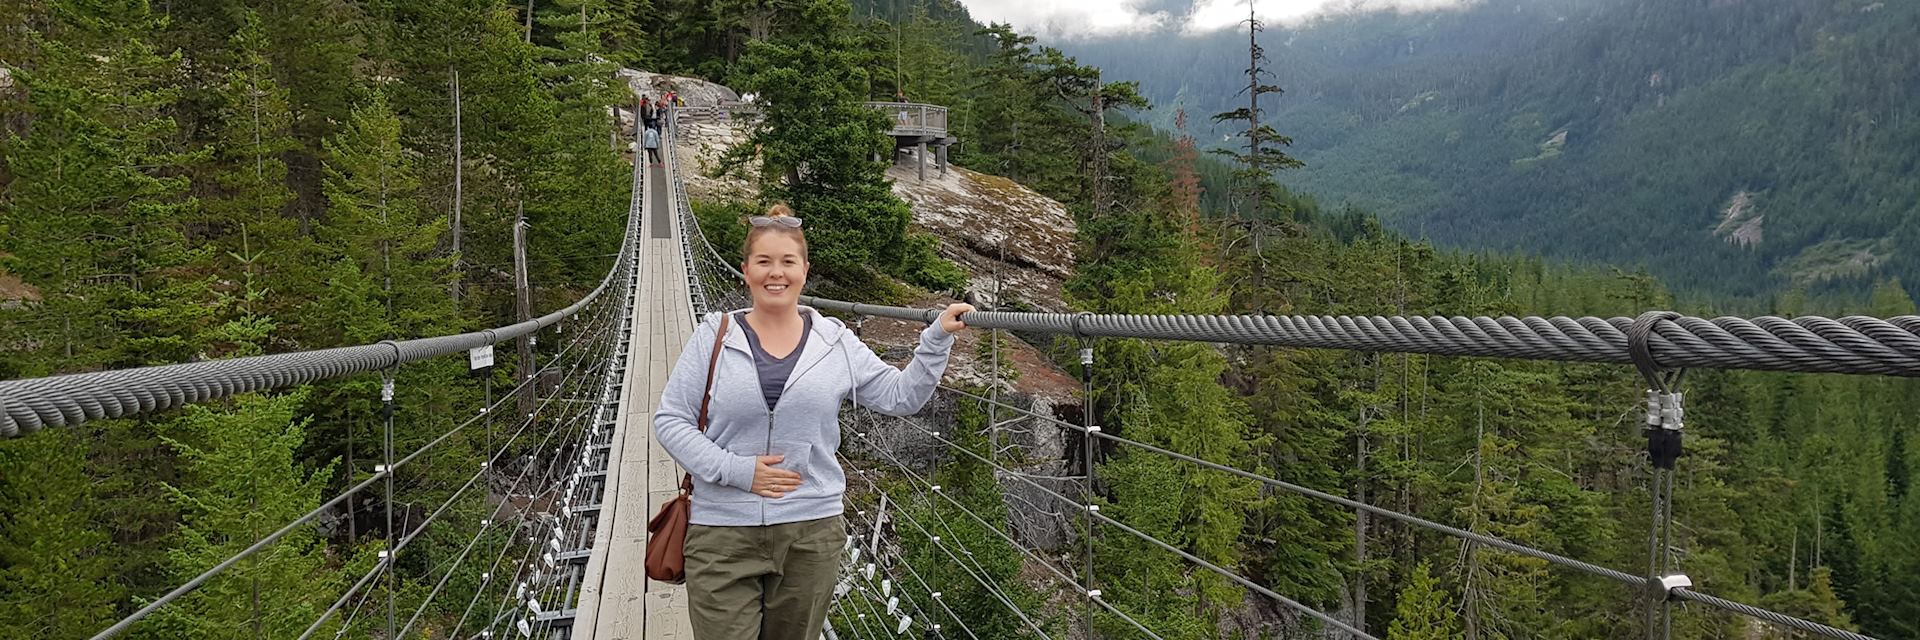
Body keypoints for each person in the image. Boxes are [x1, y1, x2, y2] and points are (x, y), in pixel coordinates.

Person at [654, 204, 973, 640]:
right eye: (764, 262)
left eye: (788, 262)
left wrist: (935, 339)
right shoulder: (713, 336)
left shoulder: (836, 342)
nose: (776, 273)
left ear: (805, 270)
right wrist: (739, 472)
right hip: (721, 532)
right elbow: (671, 420)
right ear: (745, 270)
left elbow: (902, 397)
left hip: (810, 532)